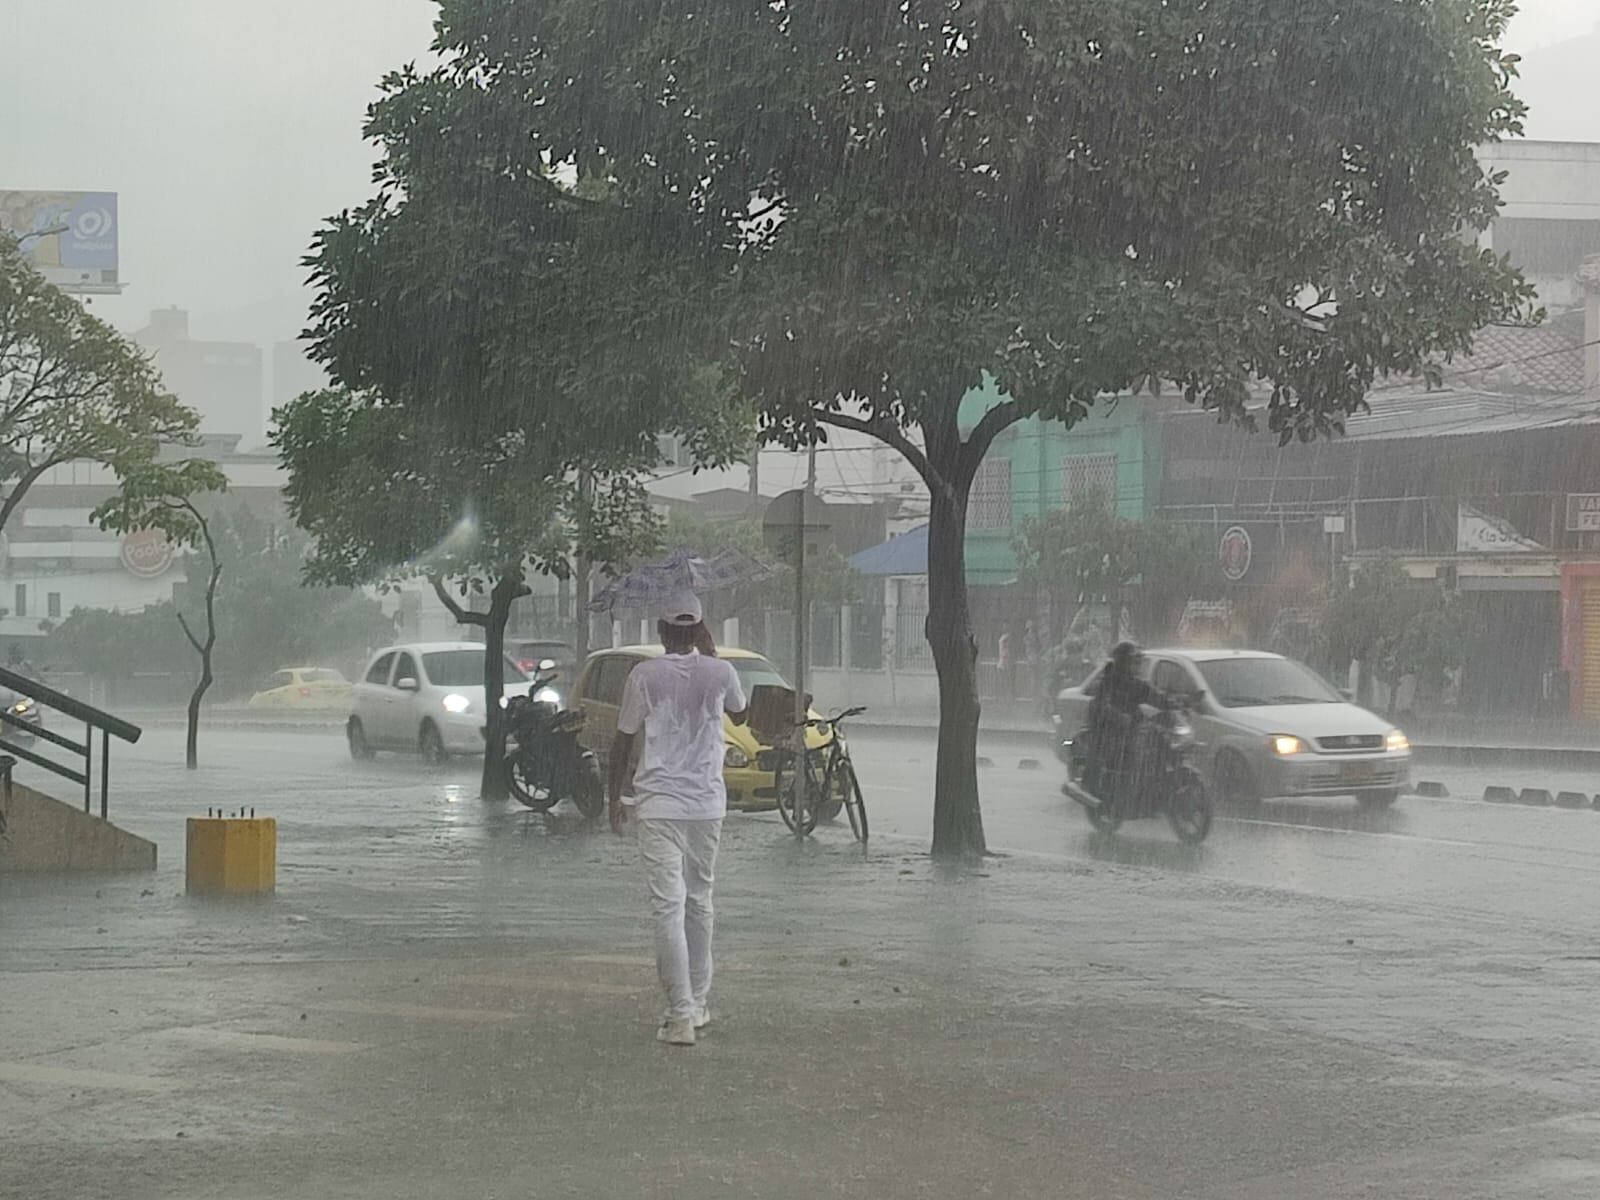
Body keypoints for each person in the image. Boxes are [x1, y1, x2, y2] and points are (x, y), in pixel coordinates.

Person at [608, 589, 748, 1048]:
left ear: (662, 631)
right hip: (707, 805)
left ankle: (680, 1013)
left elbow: (623, 739)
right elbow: (741, 710)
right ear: (700, 629)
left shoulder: (644, 675)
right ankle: (699, 1003)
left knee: (668, 907)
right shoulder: (722, 671)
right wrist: (710, 658)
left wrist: (615, 796)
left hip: (659, 805)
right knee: (700, 901)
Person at [1085, 641, 1156, 801]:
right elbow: (1103, 705)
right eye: (1132, 661)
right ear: (1123, 662)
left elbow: (1153, 696)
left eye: (1136, 661)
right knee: (1123, 753)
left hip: (1129, 726)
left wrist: (1177, 702)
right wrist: (1120, 717)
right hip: (1108, 730)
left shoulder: (1134, 683)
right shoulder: (1108, 681)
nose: (1136, 665)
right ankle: (1117, 790)